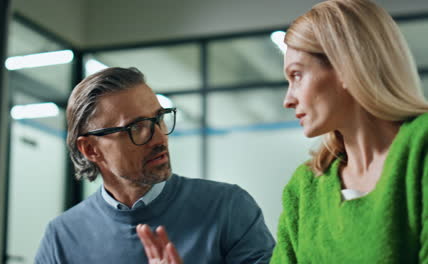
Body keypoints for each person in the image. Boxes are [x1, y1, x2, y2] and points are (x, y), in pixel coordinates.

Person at [137, 0, 428, 263]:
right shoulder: (306, 187)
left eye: (297, 75)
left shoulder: (420, 149)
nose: (288, 99)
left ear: (345, 67)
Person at [35, 67, 275, 263]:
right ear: (90, 149)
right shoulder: (62, 236)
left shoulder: (228, 208)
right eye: (137, 127)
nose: (160, 138)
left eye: (158, 118)